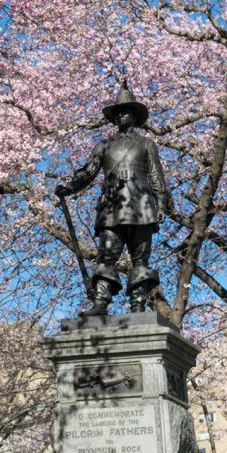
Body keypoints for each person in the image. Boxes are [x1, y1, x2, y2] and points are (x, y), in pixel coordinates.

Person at [55, 84, 173, 315]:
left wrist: (161, 204)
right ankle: (100, 303)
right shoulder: (104, 145)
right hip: (111, 205)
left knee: (140, 258)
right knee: (107, 255)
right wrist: (69, 187)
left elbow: (156, 177)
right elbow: (88, 172)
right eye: (116, 112)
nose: (120, 116)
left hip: (141, 205)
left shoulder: (147, 144)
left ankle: (138, 305)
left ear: (135, 116)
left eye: (125, 111)